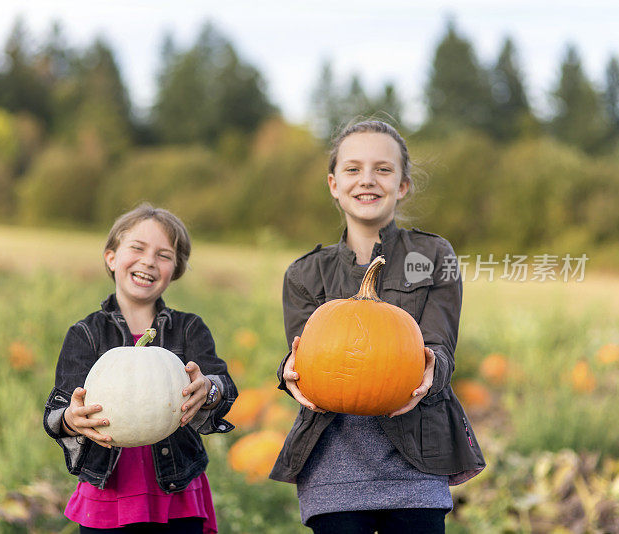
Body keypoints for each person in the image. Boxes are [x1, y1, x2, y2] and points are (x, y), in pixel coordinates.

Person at [269, 120, 486, 533]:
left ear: (402, 185)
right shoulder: (305, 274)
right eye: (353, 169)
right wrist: (288, 373)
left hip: (418, 456)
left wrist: (428, 374)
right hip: (333, 462)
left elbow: (440, 347)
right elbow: (305, 356)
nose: (367, 180)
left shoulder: (435, 255)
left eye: (383, 169)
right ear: (334, 184)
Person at [44, 203, 237, 534]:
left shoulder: (188, 329)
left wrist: (209, 390)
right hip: (109, 493)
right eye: (137, 248)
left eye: (164, 255)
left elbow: (223, 386)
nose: (149, 260)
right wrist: (71, 419)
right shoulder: (86, 334)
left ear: (174, 270)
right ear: (111, 257)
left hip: (175, 492)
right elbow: (57, 411)